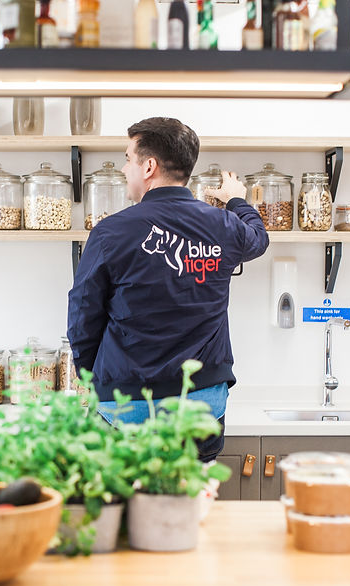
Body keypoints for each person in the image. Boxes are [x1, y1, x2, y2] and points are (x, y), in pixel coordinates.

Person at [66, 117, 269, 462]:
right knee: (190, 506)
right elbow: (258, 238)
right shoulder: (223, 226)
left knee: (126, 507)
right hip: (202, 402)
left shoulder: (112, 232)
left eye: (128, 159)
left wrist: (93, 376)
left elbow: (83, 315)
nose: (125, 168)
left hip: (127, 403)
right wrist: (236, 200)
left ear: (149, 166)